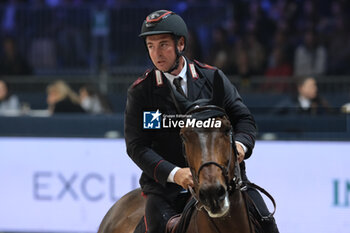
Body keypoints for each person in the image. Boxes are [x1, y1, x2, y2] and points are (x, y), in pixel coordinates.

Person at [124, 10, 279, 233]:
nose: (156, 53)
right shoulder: (141, 91)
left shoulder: (212, 77)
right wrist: (175, 173)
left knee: (267, 222)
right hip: (167, 190)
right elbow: (136, 146)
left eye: (163, 44)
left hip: (225, 181)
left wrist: (240, 146)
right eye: (151, 46)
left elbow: (244, 119)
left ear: (181, 44)